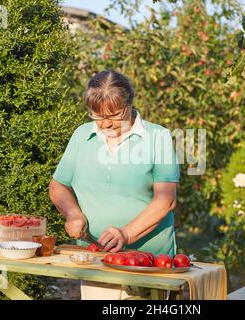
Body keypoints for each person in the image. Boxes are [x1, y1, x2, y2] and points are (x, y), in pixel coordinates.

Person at [49, 70, 180, 299]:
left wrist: (126, 234)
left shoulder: (158, 137)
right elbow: (58, 185)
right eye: (98, 116)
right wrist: (72, 213)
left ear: (129, 104)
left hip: (149, 262)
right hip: (96, 260)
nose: (106, 123)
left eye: (115, 115)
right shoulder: (82, 135)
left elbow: (166, 200)